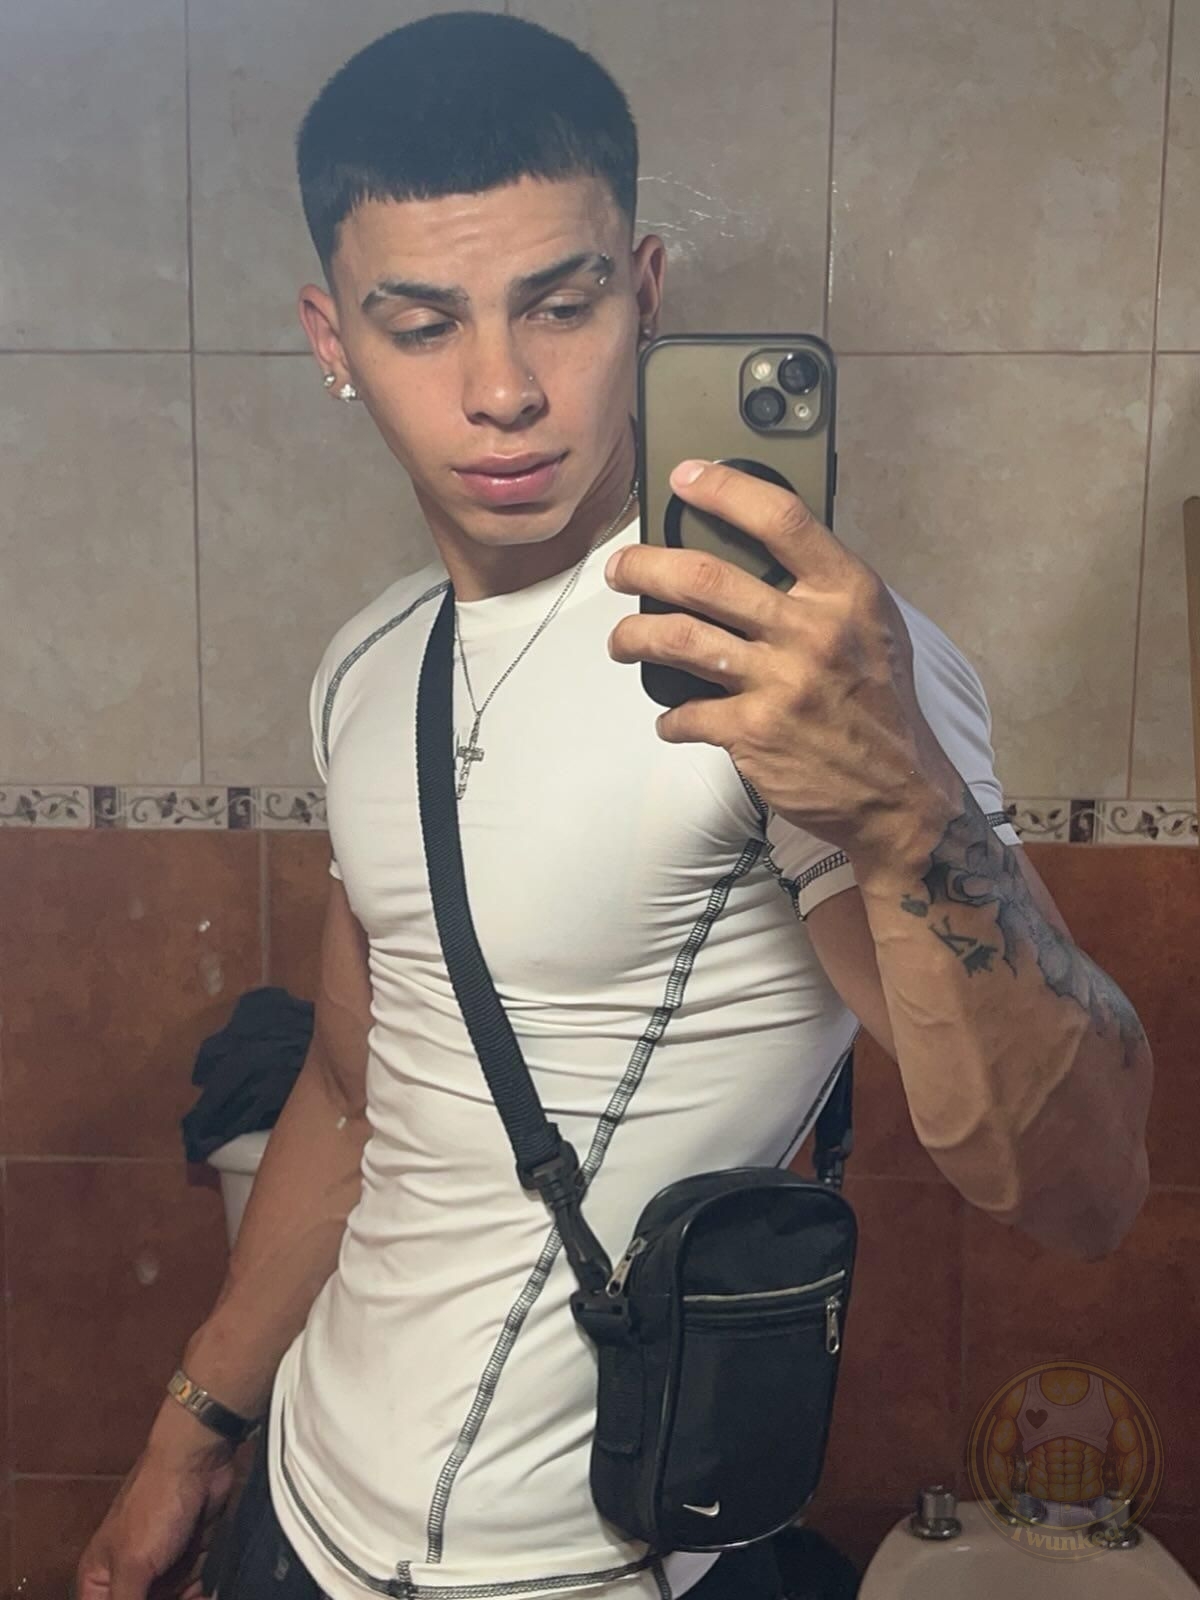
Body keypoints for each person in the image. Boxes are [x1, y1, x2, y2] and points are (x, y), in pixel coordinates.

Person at [76, 11, 1153, 1600]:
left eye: (560, 305)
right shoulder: (367, 663)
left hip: (588, 1570)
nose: (502, 390)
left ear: (645, 294)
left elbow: (1083, 1189)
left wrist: (906, 808)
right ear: (330, 338)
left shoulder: (788, 665)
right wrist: (194, 1429)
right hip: (297, 1515)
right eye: (419, 324)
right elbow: (356, 1090)